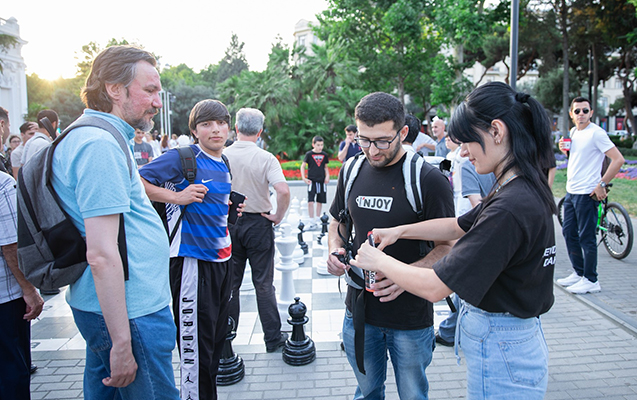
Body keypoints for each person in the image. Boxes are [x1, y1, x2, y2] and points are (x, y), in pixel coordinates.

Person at [353, 82, 557, 399]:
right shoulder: (521, 190)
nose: (462, 152)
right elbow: (456, 226)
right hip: (513, 341)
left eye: (467, 141)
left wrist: (378, 260)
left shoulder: (509, 208)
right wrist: (400, 231)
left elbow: (436, 287)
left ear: (496, 131)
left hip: (503, 348)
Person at [50, 45, 179, 399]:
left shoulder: (96, 136)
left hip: (114, 309)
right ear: (114, 89)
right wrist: (121, 341)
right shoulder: (99, 146)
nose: (157, 102)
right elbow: (102, 253)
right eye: (149, 90)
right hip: (131, 314)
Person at [327, 92, 455, 400]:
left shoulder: (427, 179)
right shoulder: (351, 170)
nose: (372, 150)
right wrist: (334, 250)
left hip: (410, 318)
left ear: (403, 132)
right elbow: (337, 223)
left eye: (382, 141)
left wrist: (405, 276)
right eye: (364, 140)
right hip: (359, 311)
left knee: (413, 395)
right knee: (367, 392)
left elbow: (448, 247)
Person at [140, 99, 235, 400]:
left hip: (222, 260)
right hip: (192, 262)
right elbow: (134, 181)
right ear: (194, 130)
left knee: (215, 344)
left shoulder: (224, 161)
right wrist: (177, 197)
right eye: (206, 124)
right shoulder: (182, 157)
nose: (215, 129)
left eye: (221, 123)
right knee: (196, 351)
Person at [224, 108, 290, 353]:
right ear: (260, 131)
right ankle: (272, 339)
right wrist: (278, 216)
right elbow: (283, 190)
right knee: (263, 283)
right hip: (259, 224)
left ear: (236, 128)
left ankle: (227, 339)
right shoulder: (266, 158)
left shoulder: (222, 155)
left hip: (229, 223)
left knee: (231, 284)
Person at [556, 97, 625, 294]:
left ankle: (591, 279)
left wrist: (602, 183)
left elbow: (618, 159)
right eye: (577, 111)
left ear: (591, 113)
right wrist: (564, 151)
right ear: (571, 114)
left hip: (587, 193)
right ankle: (579, 273)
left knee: (586, 237)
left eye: (585, 111)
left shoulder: (597, 133)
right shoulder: (573, 132)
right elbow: (578, 159)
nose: (581, 114)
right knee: (569, 233)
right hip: (571, 191)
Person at [0, 106, 45, 400]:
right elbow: (10, 245)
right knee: (12, 370)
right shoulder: (3, 183)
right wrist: (29, 290)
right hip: (5, 296)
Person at [301, 135, 330, 226]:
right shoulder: (309, 154)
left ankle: (317, 218)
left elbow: (325, 167)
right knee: (310, 201)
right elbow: (303, 166)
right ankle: (311, 219)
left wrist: (327, 176)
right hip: (312, 181)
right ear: (313, 144)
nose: (320, 147)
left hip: (321, 181)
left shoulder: (324, 155)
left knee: (319, 201)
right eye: (318, 145)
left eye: (321, 145)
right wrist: (304, 178)